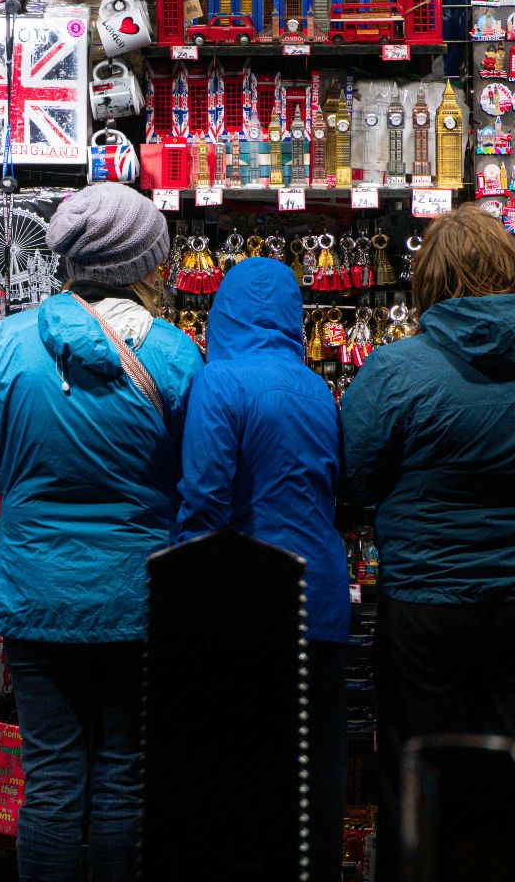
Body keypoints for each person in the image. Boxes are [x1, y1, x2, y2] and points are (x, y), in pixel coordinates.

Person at [339, 207, 515, 880]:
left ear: (429, 280)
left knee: (420, 770)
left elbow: (356, 474)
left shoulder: (396, 367)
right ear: (512, 268)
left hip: (429, 601)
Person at [0, 182, 203, 882]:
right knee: (122, 777)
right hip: (135, 598)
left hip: (36, 594)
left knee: (53, 781)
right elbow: (200, 481)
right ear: (145, 265)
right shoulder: (177, 357)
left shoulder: (9, 342)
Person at [175, 255, 348, 879]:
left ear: (221, 313)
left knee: (241, 780)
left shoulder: (220, 383)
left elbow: (203, 499)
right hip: (322, 603)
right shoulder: (315, 388)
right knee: (316, 777)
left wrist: (184, 595)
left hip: (249, 606)